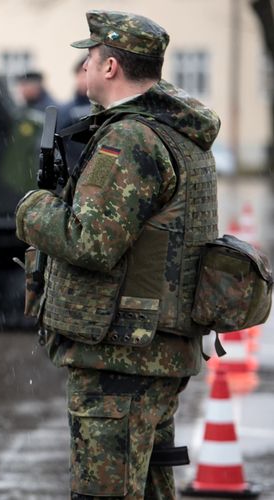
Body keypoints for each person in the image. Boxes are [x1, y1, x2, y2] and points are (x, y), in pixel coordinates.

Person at [15, 10, 220, 499]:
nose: (83, 68)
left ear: (110, 67)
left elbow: (91, 241)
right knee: (149, 485)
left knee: (103, 491)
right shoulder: (176, 131)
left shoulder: (130, 139)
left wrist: (32, 208)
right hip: (153, 346)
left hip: (122, 354)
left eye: (88, 57)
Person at [57, 57, 92, 168]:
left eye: (87, 75)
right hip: (72, 166)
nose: (84, 80)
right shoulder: (65, 110)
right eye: (81, 75)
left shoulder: (104, 107)